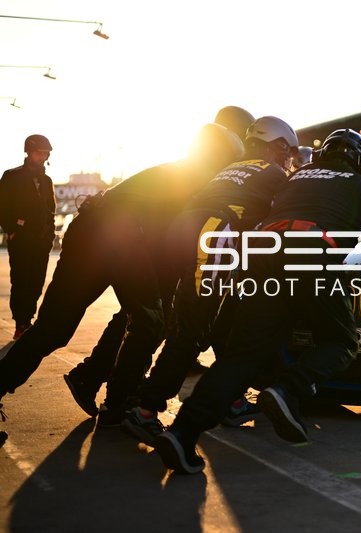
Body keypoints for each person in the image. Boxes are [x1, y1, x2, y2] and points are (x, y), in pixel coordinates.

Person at [153, 128, 361, 474]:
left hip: (262, 257)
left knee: (241, 357)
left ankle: (181, 433)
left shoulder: (294, 178)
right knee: (341, 341)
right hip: (311, 254)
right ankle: (287, 391)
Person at [0, 123, 245, 438]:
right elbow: (170, 245)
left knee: (52, 329)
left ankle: (104, 397)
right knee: (151, 320)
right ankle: (120, 406)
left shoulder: (173, 171)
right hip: (120, 236)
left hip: (90, 230)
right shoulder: (199, 183)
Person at [63, 106, 255, 418]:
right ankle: (112, 392)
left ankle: (95, 377)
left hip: (148, 244)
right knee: (150, 320)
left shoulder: (195, 165)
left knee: (140, 319)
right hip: (148, 246)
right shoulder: (202, 171)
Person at [121, 116, 299, 445]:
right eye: (288, 151)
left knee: (225, 325)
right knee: (190, 332)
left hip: (189, 238)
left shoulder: (233, 168)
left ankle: (231, 400)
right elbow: (294, 211)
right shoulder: (272, 173)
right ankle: (144, 410)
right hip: (212, 241)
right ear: (276, 145)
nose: (289, 158)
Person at [0, 134, 57, 340]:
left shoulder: (47, 180)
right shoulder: (11, 176)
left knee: (36, 282)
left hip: (41, 241)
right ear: (29, 152)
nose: (43, 157)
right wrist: (12, 230)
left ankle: (28, 319)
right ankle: (21, 322)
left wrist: (50, 235)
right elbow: (2, 206)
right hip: (21, 240)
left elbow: (51, 210)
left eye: (46, 154)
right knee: (21, 281)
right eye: (40, 153)